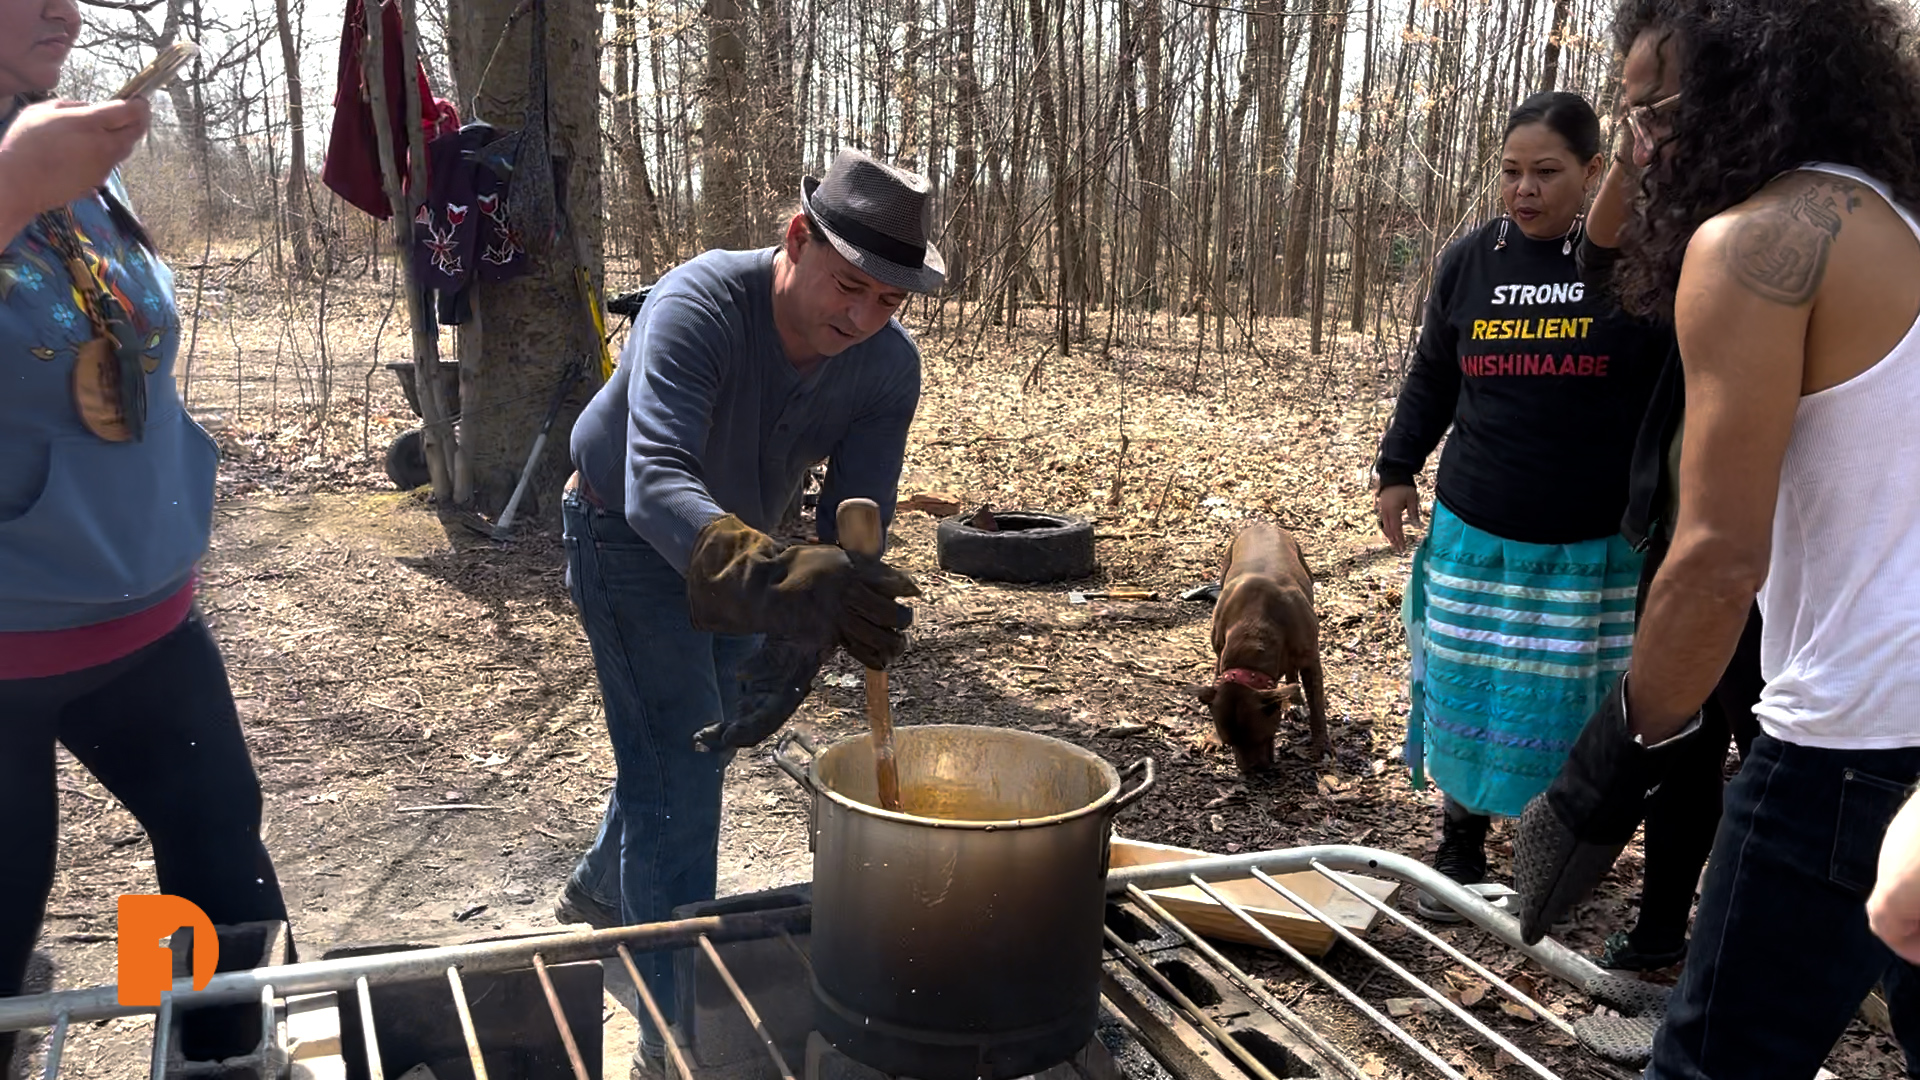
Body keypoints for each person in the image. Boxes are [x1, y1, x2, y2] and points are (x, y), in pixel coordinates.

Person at [1514, 1, 1920, 1075]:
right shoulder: (1902, 225)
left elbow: (1715, 559)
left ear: (1743, 91)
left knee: (1713, 1064)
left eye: (1651, 114)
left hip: (1848, 750)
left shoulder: (1755, 246)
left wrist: (1606, 765)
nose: (1637, 147)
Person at [554, 147, 938, 1071]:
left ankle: (601, 890)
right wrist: (786, 587)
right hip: (622, 535)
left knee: (685, 746)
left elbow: (858, 522)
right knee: (681, 784)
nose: (862, 317)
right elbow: (654, 485)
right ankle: (671, 1039)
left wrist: (826, 618)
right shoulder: (700, 304)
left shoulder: (886, 369)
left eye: (889, 300)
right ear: (797, 238)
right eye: (849, 286)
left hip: (750, 551)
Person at [0, 1, 291, 1074]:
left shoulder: (63, 139)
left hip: (147, 621)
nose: (61, 9)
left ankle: (204, 1055)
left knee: (216, 882)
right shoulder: (29, 160)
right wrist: (13, 189)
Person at [1374, 91, 1665, 921]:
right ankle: (1459, 844)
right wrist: (1399, 467)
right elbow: (1434, 371)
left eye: (1546, 172)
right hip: (1477, 526)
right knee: (1470, 687)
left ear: (1592, 172)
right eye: (1511, 172)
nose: (1524, 189)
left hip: (1592, 541)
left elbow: (1671, 392)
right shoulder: (1470, 261)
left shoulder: (1633, 267)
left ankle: (1556, 856)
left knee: (1575, 701)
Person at [1572, 88, 1766, 974]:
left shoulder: (1786, 212)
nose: (1645, 131)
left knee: (1775, 759)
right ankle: (1661, 933)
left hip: (1769, 556)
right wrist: (1634, 144)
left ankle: (1774, 956)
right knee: (1683, 749)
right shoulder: (1690, 215)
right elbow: (1597, 255)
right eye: (1633, 109)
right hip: (1677, 528)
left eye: (1660, 105)